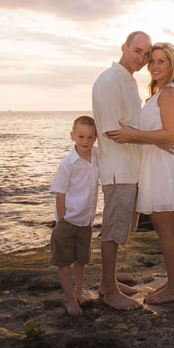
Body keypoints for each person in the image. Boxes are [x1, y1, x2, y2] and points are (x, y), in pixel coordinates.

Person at [106, 42, 174, 304]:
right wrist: (147, 138)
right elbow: (159, 133)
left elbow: (170, 134)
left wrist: (133, 134)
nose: (154, 66)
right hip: (154, 161)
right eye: (152, 61)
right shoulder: (160, 92)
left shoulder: (169, 93)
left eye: (161, 61)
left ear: (172, 64)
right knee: (165, 228)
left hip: (163, 165)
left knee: (167, 230)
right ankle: (172, 284)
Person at [91, 31, 152, 311]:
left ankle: (108, 282)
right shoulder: (108, 80)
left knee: (123, 227)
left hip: (132, 166)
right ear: (124, 48)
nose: (142, 58)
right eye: (137, 51)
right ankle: (110, 292)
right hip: (118, 169)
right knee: (114, 230)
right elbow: (113, 131)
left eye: (146, 54)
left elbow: (130, 126)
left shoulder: (129, 82)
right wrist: (157, 140)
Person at [49, 116, 100, 317]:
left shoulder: (96, 156)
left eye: (89, 137)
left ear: (95, 138)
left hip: (86, 221)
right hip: (68, 221)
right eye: (80, 136)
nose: (85, 141)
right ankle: (70, 299)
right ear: (72, 136)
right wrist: (61, 221)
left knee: (81, 260)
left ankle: (79, 291)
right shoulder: (68, 164)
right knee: (64, 262)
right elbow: (60, 194)